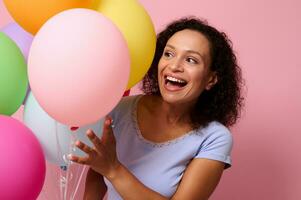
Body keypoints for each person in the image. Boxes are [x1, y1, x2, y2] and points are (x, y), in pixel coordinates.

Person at [68, 17, 244, 200]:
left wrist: (114, 169)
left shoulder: (214, 138)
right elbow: (99, 169)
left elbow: (108, 167)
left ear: (211, 79)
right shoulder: (120, 110)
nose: (174, 66)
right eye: (168, 54)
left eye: (191, 60)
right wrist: (105, 168)